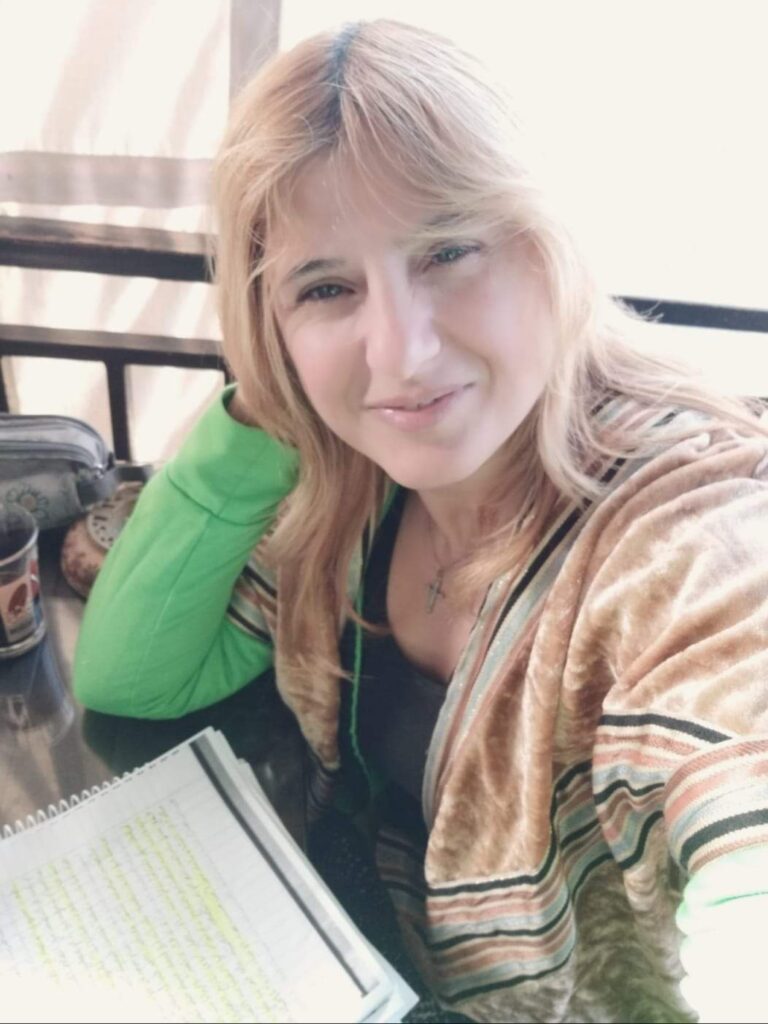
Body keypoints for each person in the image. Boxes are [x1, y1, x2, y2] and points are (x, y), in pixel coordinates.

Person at [73, 20, 768, 1024]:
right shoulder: (345, 493)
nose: (400, 353)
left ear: (547, 248)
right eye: (326, 287)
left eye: (448, 250)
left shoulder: (686, 527)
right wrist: (266, 412)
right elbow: (132, 678)